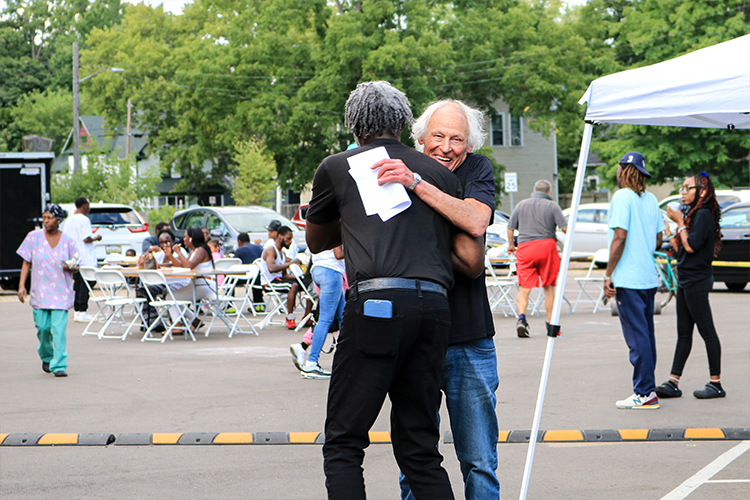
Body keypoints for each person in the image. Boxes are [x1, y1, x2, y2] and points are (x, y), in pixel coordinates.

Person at [306, 80, 484, 500]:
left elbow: (317, 242)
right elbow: (470, 258)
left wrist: (347, 215)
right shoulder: (439, 173)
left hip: (377, 306)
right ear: (405, 124)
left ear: (355, 125)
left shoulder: (338, 166)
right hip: (436, 310)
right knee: (420, 449)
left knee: (345, 441)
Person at [373, 99, 500, 499]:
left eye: (457, 139)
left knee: (480, 461)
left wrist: (416, 188)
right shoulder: (398, 163)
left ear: (470, 144)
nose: (447, 147)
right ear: (421, 138)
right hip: (414, 335)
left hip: (470, 336)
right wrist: (451, 215)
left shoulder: (475, 169)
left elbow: (475, 234)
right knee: (416, 460)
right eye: (438, 136)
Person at [603, 152, 665, 410]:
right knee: (646, 334)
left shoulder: (621, 197)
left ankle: (644, 391)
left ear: (624, 171)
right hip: (648, 276)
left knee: (636, 337)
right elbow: (659, 239)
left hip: (628, 277)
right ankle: (648, 387)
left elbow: (620, 236)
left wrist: (608, 274)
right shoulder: (651, 199)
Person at [657, 172, 725, 400]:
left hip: (697, 279)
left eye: (688, 188)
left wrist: (679, 223)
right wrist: (671, 229)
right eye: (682, 189)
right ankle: (673, 382)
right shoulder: (692, 215)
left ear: (702, 191)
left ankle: (716, 383)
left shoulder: (703, 214)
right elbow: (681, 249)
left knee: (707, 331)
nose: (683, 193)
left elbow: (693, 246)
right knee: (683, 334)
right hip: (685, 278)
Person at [16, 204, 79, 378]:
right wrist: (22, 286)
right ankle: (47, 355)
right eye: (44, 217)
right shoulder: (33, 237)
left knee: (58, 330)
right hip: (40, 291)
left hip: (61, 292)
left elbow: (76, 264)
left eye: (49, 218)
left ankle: (59, 364)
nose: (46, 221)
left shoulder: (68, 241)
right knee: (43, 328)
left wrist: (71, 266)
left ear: (58, 220)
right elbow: (26, 262)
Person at [507, 180, 567, 337]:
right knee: (548, 287)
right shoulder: (553, 206)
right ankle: (552, 325)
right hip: (547, 247)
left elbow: (510, 227)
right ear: (549, 192)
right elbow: (565, 228)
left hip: (526, 248)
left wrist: (511, 245)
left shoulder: (521, 205)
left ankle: (521, 319)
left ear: (534, 190)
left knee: (524, 288)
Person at [289, 246, 345, 380]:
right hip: (331, 270)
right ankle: (311, 363)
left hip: (318, 269)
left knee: (344, 317)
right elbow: (338, 254)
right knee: (326, 320)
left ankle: (347, 359)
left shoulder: (317, 225)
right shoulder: (335, 226)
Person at [163, 227, 215, 333]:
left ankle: (177, 326)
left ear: (191, 239)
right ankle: (194, 320)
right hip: (197, 284)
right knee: (175, 297)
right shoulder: (194, 251)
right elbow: (181, 264)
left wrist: (179, 253)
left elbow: (188, 266)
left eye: (186, 237)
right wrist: (169, 255)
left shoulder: (201, 250)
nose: (184, 239)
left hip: (205, 285)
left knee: (170, 297)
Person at [62, 196, 102, 323]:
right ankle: (83, 310)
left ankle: (78, 311)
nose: (89, 208)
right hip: (85, 257)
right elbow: (86, 238)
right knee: (87, 283)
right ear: (84, 205)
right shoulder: (84, 220)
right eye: (88, 205)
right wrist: (97, 237)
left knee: (77, 284)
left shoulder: (69, 220)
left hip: (74, 257)